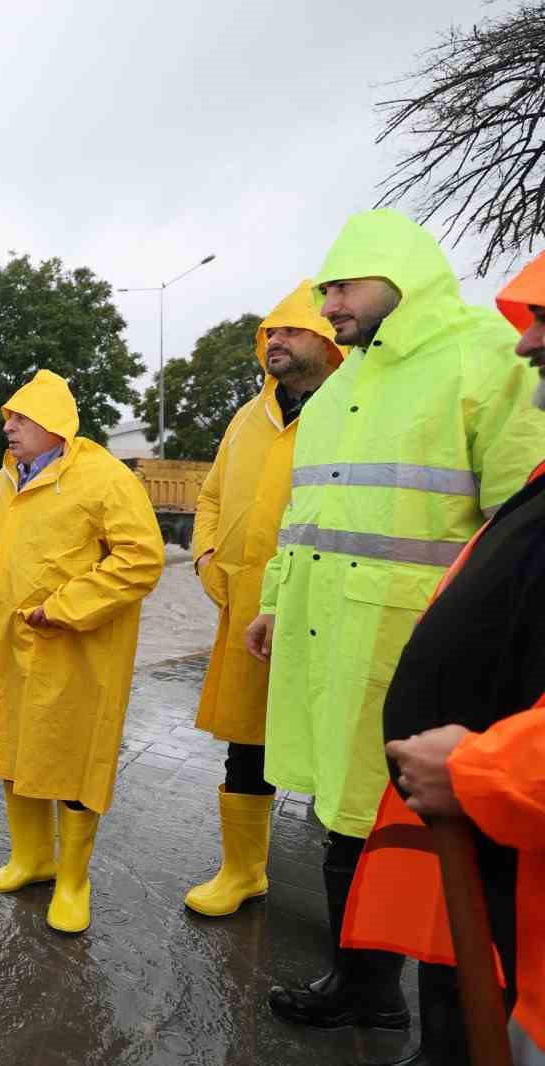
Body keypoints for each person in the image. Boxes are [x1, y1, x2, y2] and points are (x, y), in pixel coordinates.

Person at [248, 209, 545, 1033]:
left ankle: (461, 1026)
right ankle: (366, 987)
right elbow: (303, 514)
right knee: (348, 817)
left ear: (397, 274)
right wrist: (274, 600)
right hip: (328, 637)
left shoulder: (485, 357)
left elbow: (523, 525)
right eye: (323, 288)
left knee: (449, 833)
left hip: (433, 654)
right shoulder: (340, 388)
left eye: (341, 285)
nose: (328, 302)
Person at [338, 251, 545, 1065]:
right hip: (504, 875)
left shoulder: (466, 374)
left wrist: (480, 770)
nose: (524, 346)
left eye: (541, 324)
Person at [0, 369, 163, 932]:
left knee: (73, 762)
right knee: (16, 751)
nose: (8, 427)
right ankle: (32, 859)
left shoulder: (105, 478)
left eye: (19, 418)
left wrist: (64, 607)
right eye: (8, 419)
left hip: (75, 649)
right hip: (7, 644)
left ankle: (73, 880)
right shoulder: (3, 480)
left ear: (55, 425)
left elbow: (140, 559)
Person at [183, 281, 344, 918]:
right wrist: (203, 558)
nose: (274, 342)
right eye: (268, 333)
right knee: (246, 741)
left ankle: (351, 892)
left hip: (328, 605)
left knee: (336, 746)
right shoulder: (248, 416)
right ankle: (243, 870)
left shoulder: (355, 405)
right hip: (250, 606)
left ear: (327, 342)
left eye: (290, 331)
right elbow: (214, 498)